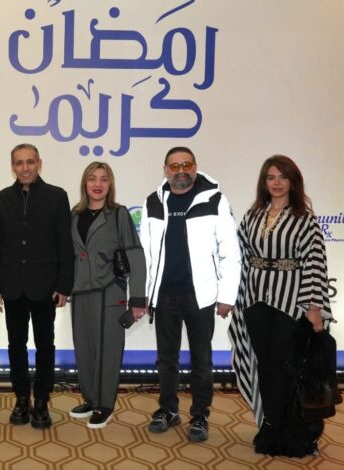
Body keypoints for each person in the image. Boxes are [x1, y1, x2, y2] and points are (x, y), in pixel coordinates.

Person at [229, 155, 335, 457]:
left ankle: (296, 432)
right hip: (255, 302)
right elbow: (239, 257)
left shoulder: (304, 219)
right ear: (264, 182)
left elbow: (315, 264)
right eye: (271, 177)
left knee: (289, 368)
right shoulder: (252, 216)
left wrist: (313, 307)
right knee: (266, 367)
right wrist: (233, 297)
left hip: (290, 304)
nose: (276, 183)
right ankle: (272, 424)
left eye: (282, 177)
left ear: (293, 181)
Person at [140, 146, 241, 441]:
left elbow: (230, 250)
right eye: (174, 166)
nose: (181, 171)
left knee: (202, 360)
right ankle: (168, 410)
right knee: (166, 359)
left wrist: (227, 295)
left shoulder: (215, 199)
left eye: (186, 165)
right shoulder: (153, 202)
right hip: (164, 296)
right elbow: (145, 253)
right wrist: (144, 293)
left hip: (201, 296)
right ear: (165, 170)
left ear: (195, 167)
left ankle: (200, 415)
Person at [0, 143, 73, 429]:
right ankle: (22, 399)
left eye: (30, 162)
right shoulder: (1, 199)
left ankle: (42, 401)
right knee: (16, 346)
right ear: (13, 166)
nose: (25, 168)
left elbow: (65, 245)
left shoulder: (57, 196)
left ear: (39, 164)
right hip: (12, 286)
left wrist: (64, 285)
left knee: (46, 345)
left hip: (46, 287)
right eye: (19, 163)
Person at [68, 162, 147, 429]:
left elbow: (135, 254)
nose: (98, 184)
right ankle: (91, 399)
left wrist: (138, 299)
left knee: (108, 351)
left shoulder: (119, 214)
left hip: (110, 291)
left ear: (110, 184)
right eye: (92, 178)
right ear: (85, 183)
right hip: (80, 291)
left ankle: (105, 405)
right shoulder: (74, 214)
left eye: (104, 179)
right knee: (84, 349)